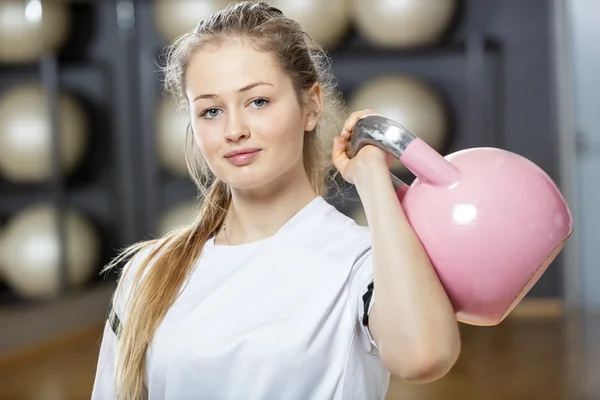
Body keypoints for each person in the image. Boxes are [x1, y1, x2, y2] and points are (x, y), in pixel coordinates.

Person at [91, 2, 461, 399]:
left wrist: (372, 180)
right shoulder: (149, 272)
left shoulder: (363, 264)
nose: (234, 130)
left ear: (312, 105)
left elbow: (423, 356)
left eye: (258, 102)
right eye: (211, 110)